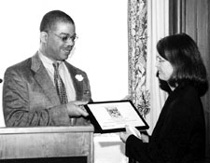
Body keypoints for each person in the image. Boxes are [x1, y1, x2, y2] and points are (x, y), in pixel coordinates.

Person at [120, 33, 208, 163]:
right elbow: (171, 145)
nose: (156, 64)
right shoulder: (182, 94)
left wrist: (129, 140)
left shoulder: (183, 102)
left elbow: (162, 158)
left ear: (179, 63)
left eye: (161, 60)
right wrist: (146, 139)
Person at [3, 10, 92, 127]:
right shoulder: (18, 74)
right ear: (44, 37)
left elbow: (88, 120)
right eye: (64, 37)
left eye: (73, 38)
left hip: (80, 145)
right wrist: (64, 111)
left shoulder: (80, 75)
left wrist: (115, 111)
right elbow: (15, 121)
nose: (70, 43)